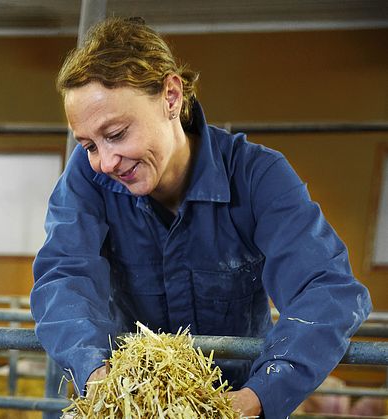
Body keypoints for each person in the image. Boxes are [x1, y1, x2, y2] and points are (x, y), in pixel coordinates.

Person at [30, 17, 372, 418]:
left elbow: (327, 290)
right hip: (132, 396)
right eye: (88, 144)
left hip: (236, 397)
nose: (105, 162)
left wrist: (253, 401)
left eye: (117, 133)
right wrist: (99, 379)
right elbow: (64, 276)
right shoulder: (86, 180)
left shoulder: (256, 176)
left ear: (171, 97)